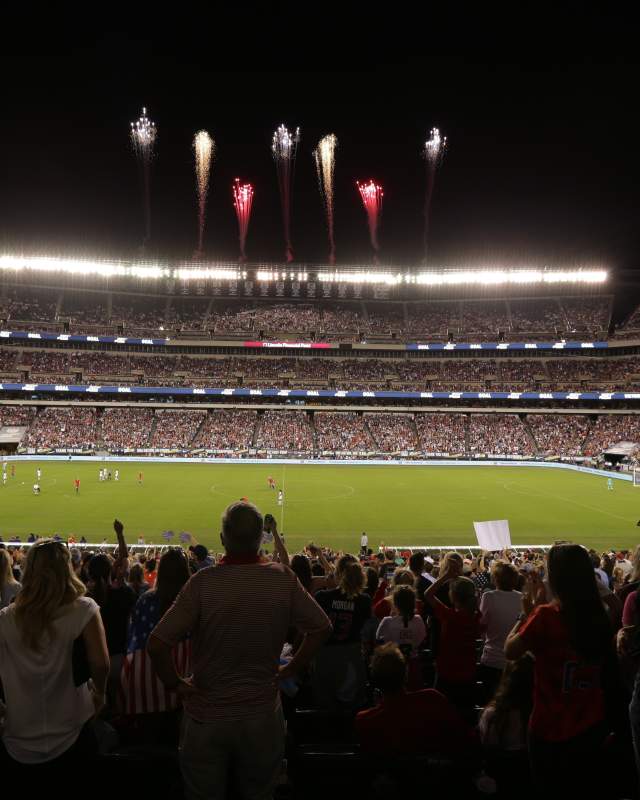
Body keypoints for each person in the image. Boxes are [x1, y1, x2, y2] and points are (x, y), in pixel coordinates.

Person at [148, 501, 331, 800]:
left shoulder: (202, 583)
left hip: (207, 715)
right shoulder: (282, 579)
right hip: (261, 715)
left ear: (223, 538)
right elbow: (321, 628)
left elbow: (157, 644)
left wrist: (177, 685)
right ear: (262, 537)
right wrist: (289, 670)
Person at [504, 544, 614, 798]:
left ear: (557, 578)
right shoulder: (601, 615)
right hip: (590, 725)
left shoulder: (545, 616)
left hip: (549, 727)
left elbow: (510, 651)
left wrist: (526, 613)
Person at [0, 540, 109, 774]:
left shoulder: (5, 619)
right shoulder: (84, 609)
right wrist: (100, 692)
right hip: (73, 732)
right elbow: (100, 663)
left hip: (18, 739)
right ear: (66, 568)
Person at [356, 643, 476, 760]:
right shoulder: (432, 700)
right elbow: (465, 738)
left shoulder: (365, 721)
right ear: (405, 674)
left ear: (375, 679)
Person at [425, 557, 482, 716]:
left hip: (446, 673)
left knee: (442, 714)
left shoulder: (449, 616)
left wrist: (446, 576)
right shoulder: (476, 616)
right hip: (468, 674)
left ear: (453, 596)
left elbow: (428, 594)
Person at [313, 556, 372, 711]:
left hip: (325, 658)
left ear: (337, 573)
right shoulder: (364, 601)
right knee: (352, 710)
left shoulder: (322, 597)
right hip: (352, 659)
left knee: (325, 709)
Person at [478, 561, 522, 701]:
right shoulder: (522, 598)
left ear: (495, 578)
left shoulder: (489, 597)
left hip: (492, 660)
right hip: (514, 662)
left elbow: (481, 625)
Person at [376, 585, 426, 690]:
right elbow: (422, 638)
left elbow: (379, 640)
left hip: (393, 664)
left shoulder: (387, 621)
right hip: (413, 662)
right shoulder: (418, 620)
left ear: (395, 603)